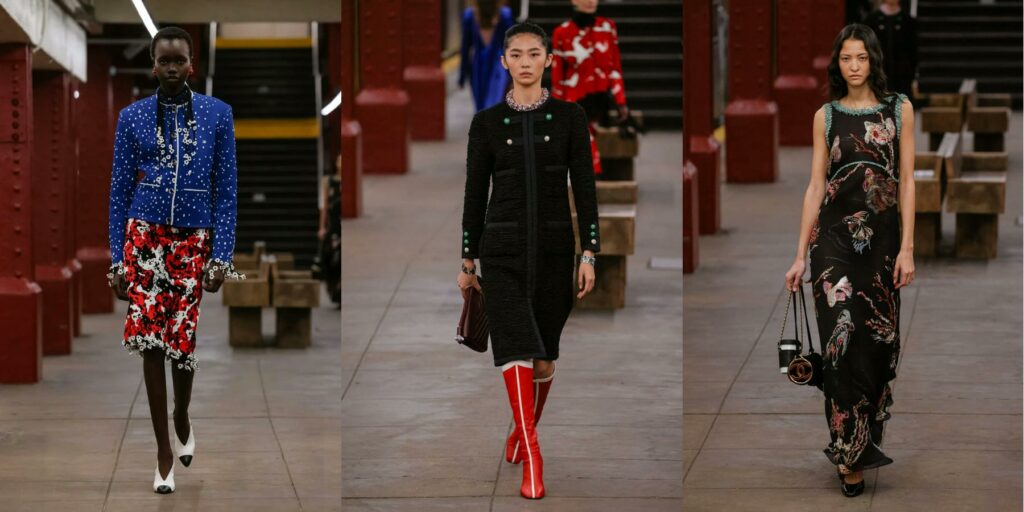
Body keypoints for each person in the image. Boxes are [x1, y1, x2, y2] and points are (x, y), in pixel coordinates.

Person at [458, 21, 599, 500]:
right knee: (515, 346)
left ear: (547, 61)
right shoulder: (485, 124)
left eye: (533, 53)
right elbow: (475, 194)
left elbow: (584, 187)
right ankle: (534, 455)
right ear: (503, 62)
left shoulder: (570, 118)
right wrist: (467, 260)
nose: (524, 62)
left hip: (556, 250)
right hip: (502, 250)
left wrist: (589, 252)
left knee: (543, 358)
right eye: (515, 54)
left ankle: (520, 431)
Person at [107, 26, 243, 494]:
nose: (170, 67)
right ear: (152, 64)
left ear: (192, 64)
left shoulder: (216, 115)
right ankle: (163, 450)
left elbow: (226, 193)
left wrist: (221, 256)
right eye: (162, 60)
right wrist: (117, 261)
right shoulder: (132, 118)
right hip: (143, 238)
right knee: (149, 340)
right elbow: (118, 193)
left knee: (180, 343)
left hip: (192, 242)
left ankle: (181, 413)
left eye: (178, 60)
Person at [784, 23, 915, 498]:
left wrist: (908, 247)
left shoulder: (899, 110)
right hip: (834, 246)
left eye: (861, 57)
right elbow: (816, 186)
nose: (854, 66)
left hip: (882, 245)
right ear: (836, 63)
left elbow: (907, 181)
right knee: (839, 347)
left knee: (879, 344)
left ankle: (866, 435)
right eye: (846, 59)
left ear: (873, 60)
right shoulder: (825, 116)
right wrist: (800, 255)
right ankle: (848, 455)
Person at [550, 0, 629, 175]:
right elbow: (558, 77)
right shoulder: (562, 32)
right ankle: (591, 176)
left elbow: (615, 67)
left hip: (600, 97)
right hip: (574, 98)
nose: (590, 1)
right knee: (581, 130)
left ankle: (589, 177)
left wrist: (621, 101)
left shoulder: (608, 27)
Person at [459, 0, 516, 111]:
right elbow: (465, 47)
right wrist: (462, 76)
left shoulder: (505, 15)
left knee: (495, 104)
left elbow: (512, 46)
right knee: (480, 107)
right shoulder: (469, 16)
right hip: (478, 70)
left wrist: (514, 76)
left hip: (498, 67)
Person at [865, 0, 918, 100]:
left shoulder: (908, 20)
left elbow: (913, 51)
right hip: (878, 71)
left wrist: (913, 74)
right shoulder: (872, 19)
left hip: (902, 75)